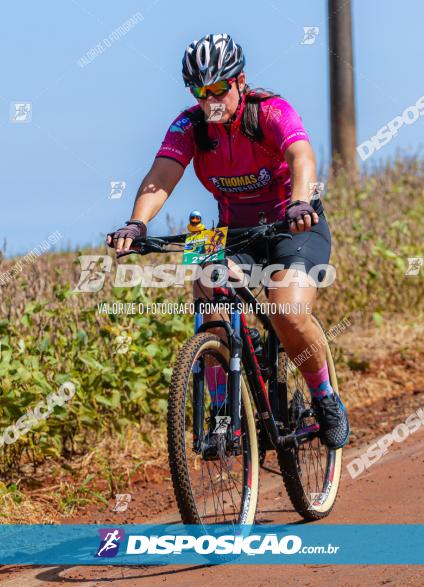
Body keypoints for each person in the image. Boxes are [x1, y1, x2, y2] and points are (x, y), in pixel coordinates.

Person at [106, 33, 349, 449]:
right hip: (232, 228)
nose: (210, 99)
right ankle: (222, 411)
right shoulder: (190, 126)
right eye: (201, 91)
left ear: (240, 81)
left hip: (291, 224)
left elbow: (302, 157)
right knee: (206, 290)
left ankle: (325, 397)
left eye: (219, 88)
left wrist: (300, 202)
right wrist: (136, 224)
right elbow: (161, 176)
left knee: (286, 311)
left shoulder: (270, 111)